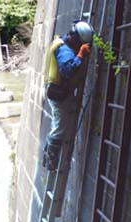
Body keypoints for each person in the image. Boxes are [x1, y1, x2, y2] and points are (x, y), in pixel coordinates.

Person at [42, 21, 94, 171]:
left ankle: (47, 158)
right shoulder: (64, 51)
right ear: (76, 39)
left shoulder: (62, 42)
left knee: (56, 126)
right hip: (59, 93)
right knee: (59, 129)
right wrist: (80, 55)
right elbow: (67, 71)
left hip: (57, 91)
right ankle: (51, 164)